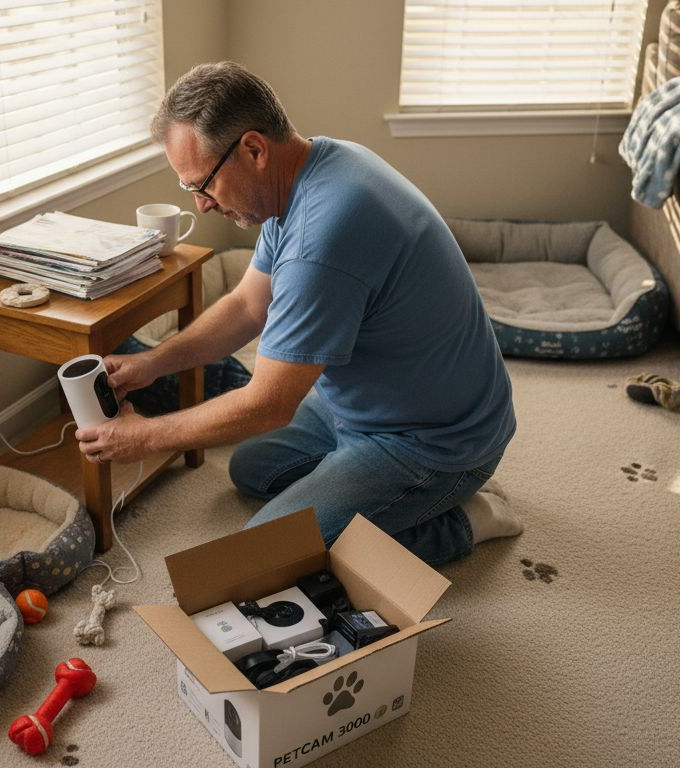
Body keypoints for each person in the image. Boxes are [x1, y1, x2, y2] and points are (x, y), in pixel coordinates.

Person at [74, 62, 519, 565]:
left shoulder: (323, 238)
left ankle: (464, 519)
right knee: (253, 470)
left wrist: (144, 437)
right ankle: (370, 493)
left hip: (435, 441)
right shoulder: (312, 169)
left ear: (254, 150)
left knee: (265, 556)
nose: (200, 206)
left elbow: (268, 406)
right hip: (366, 404)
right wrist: (152, 363)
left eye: (203, 185)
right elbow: (246, 306)